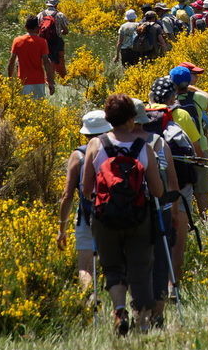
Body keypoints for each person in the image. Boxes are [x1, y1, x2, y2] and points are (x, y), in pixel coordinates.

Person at [81, 94, 164, 336]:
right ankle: (143, 320)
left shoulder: (96, 145)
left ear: (108, 119)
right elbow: (157, 190)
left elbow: (86, 189)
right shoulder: (144, 148)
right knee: (140, 266)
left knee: (113, 266)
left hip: (105, 216)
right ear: (131, 119)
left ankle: (118, 310)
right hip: (139, 216)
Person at [131, 98, 182, 329]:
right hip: (160, 210)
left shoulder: (113, 144)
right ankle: (158, 315)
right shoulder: (158, 142)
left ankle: (139, 315)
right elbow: (173, 183)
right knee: (161, 262)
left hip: (129, 213)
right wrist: (173, 213)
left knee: (136, 263)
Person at [149, 75, 203, 283]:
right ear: (174, 96)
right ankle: (174, 284)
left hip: (150, 188)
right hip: (180, 184)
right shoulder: (180, 114)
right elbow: (195, 149)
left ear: (150, 95)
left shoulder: (141, 117)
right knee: (178, 236)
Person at [57, 109, 112, 296]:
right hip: (118, 213)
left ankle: (90, 299)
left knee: (85, 266)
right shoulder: (120, 149)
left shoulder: (78, 155)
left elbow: (67, 195)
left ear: (86, 133)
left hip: (87, 215)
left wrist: (61, 229)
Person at [174, 62, 208, 214]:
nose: (197, 79)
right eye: (194, 76)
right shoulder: (197, 97)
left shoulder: (167, 98)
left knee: (180, 188)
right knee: (202, 189)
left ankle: (184, 220)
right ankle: (204, 220)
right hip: (200, 147)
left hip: (176, 151)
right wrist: (192, 89)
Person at [8, 15, 56, 98]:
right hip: (38, 80)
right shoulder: (42, 42)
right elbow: (46, 63)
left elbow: (11, 61)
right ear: (38, 28)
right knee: (39, 107)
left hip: (23, 81)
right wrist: (50, 82)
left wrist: (10, 79)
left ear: (25, 27)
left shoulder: (17, 41)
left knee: (24, 107)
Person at [37, 0, 69, 77]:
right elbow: (66, 31)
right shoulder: (60, 15)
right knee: (59, 61)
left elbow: (37, 29)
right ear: (56, 4)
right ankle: (62, 78)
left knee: (43, 61)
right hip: (57, 42)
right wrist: (61, 32)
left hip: (43, 42)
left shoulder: (40, 14)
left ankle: (46, 78)